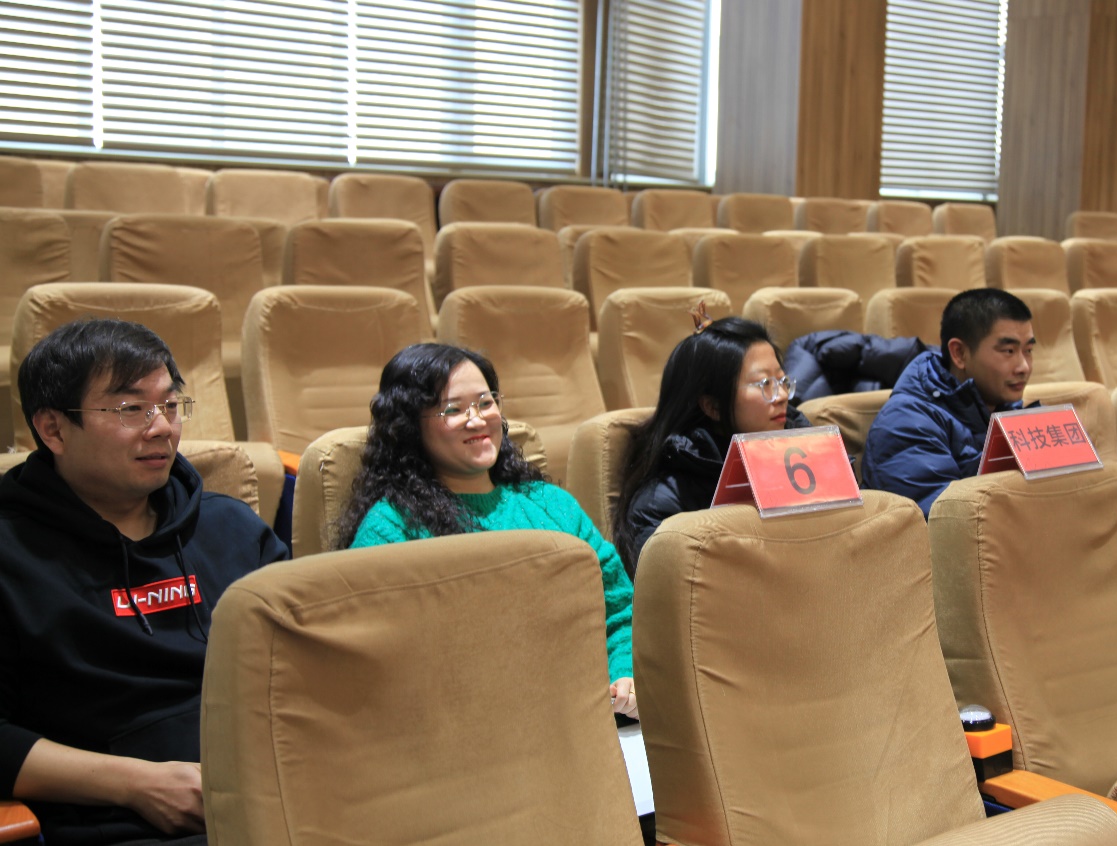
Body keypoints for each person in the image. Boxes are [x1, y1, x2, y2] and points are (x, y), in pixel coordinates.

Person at [0, 319, 289, 846]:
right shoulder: (12, 552)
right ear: (53, 429)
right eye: (131, 409)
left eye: (171, 405)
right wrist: (137, 785)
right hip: (121, 820)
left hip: (276, 792)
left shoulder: (231, 527)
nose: (161, 428)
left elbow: (303, 665)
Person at [338, 343, 637, 718]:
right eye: (453, 409)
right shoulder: (390, 528)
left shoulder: (551, 504)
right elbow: (375, 661)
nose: (477, 420)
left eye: (485, 402)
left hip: (583, 716)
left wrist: (623, 673)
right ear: (409, 426)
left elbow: (619, 609)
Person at [611, 311, 810, 576]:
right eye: (764, 383)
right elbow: (677, 594)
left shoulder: (804, 453)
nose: (782, 395)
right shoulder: (661, 504)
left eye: (782, 381)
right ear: (712, 406)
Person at [861, 288, 1035, 515]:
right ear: (959, 353)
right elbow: (944, 521)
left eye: (1028, 350)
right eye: (1009, 351)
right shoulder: (907, 423)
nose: (1024, 367)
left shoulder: (1008, 409)